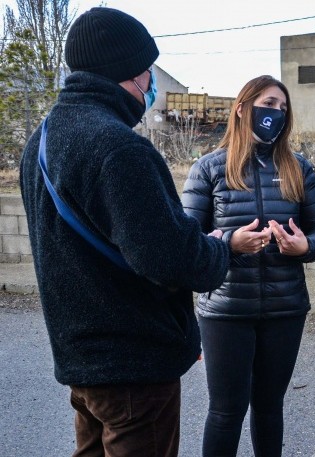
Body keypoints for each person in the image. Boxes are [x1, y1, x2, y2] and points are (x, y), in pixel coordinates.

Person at [18, 7, 233, 457]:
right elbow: (168, 259)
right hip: (134, 368)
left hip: (83, 362)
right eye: (147, 71)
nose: (150, 83)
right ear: (130, 73)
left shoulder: (41, 139)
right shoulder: (119, 148)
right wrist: (219, 249)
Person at [181, 75, 315, 457]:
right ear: (243, 108)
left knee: (269, 408)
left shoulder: (299, 168)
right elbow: (186, 244)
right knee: (226, 411)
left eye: (282, 108)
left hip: (285, 308)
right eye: (268, 104)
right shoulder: (209, 169)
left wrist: (303, 247)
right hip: (225, 311)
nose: (275, 113)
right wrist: (230, 245)